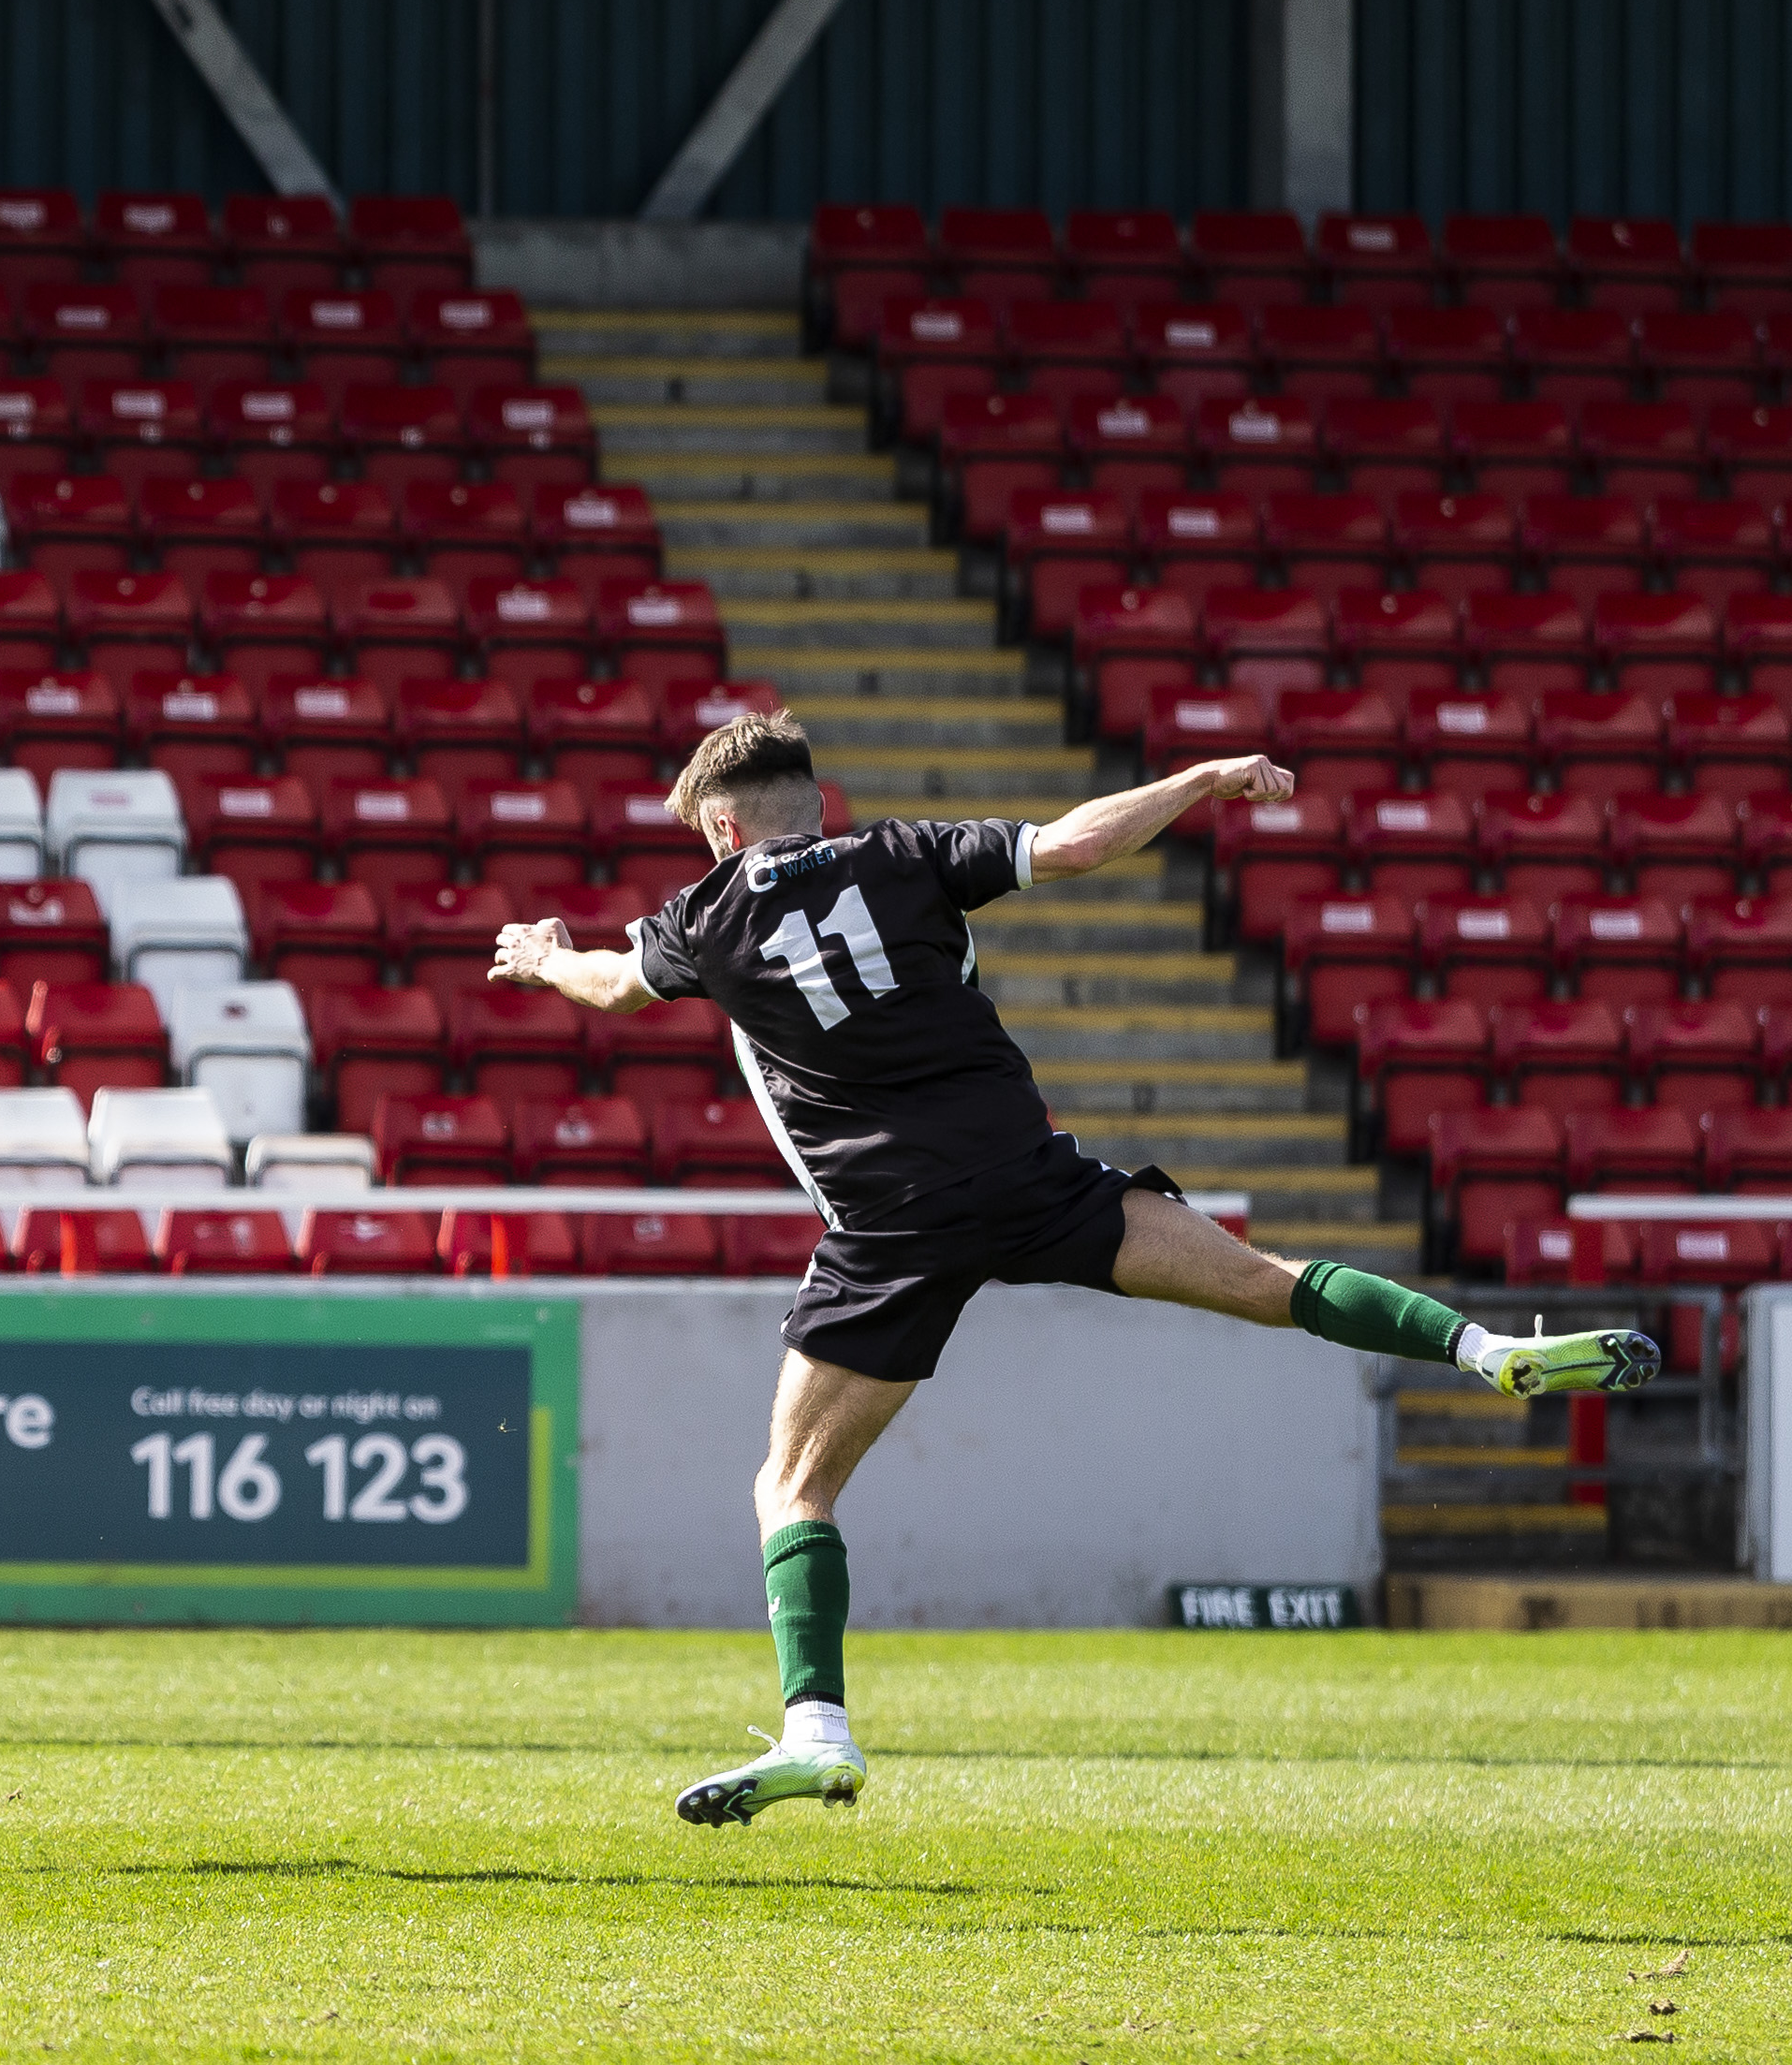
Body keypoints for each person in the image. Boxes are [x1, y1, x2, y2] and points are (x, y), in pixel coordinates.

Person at [489, 710, 1654, 1828]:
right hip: (1025, 1178)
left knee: (790, 1488)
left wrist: (544, 957)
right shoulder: (904, 856)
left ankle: (816, 1731)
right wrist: (1201, 780)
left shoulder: (703, 916)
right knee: (1265, 1282)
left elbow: (608, 985)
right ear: (816, 805)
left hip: (889, 1222)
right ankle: (1486, 1348)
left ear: (723, 831)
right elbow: (1078, 842)